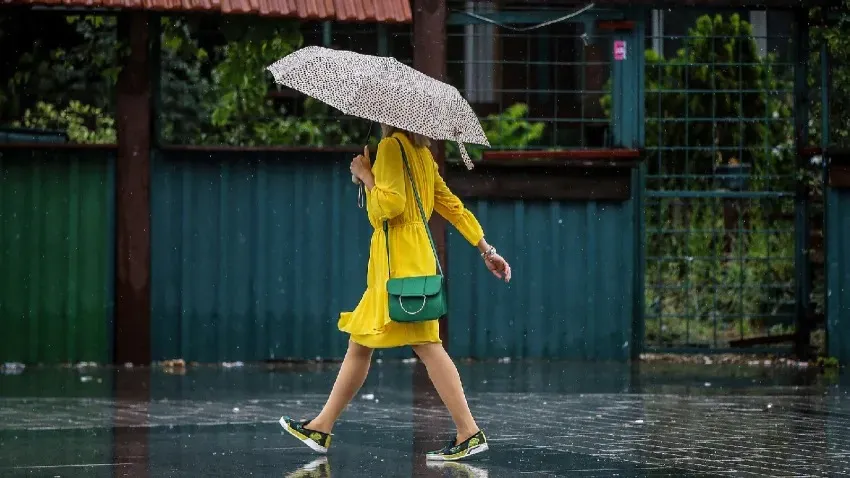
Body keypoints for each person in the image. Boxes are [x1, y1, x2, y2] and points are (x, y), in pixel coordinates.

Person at [279, 125, 512, 462]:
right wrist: (486, 249)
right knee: (364, 341)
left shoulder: (390, 147)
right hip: (414, 260)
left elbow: (389, 207)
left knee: (425, 345)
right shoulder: (423, 154)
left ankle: (469, 432)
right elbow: (452, 207)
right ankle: (322, 426)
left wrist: (366, 176)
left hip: (396, 263)